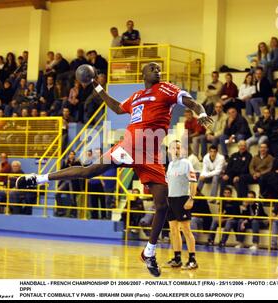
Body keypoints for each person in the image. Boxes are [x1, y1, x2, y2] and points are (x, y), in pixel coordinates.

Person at [16, 62, 213, 277]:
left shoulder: (166, 88)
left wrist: (200, 113)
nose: (158, 71)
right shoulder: (137, 96)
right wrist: (97, 86)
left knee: (162, 204)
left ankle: (149, 252)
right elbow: (118, 107)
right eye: (153, 68)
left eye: (159, 69)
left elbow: (191, 102)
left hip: (152, 153)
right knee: (89, 171)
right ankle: (38, 178)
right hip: (130, 145)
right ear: (143, 73)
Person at [164, 140, 198, 270]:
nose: (176, 150)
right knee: (173, 230)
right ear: (170, 150)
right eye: (174, 148)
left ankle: (192, 259)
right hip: (171, 200)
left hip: (182, 199)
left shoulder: (186, 163)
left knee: (186, 230)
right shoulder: (170, 165)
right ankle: (177, 258)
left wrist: (191, 199)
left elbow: (193, 181)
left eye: (178, 148)